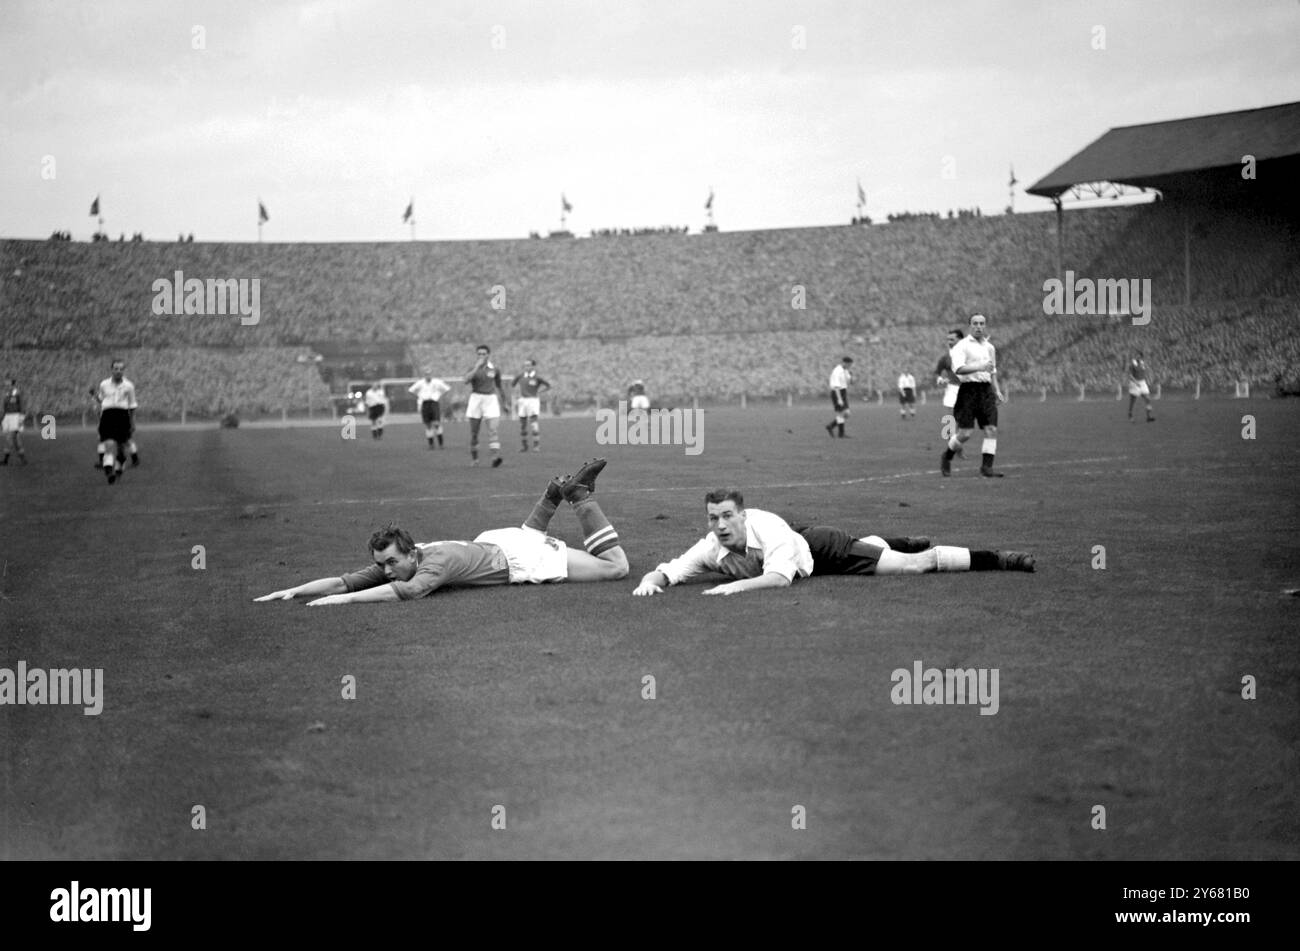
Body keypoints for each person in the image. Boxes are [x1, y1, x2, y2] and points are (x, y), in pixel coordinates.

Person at [254, 458, 626, 605]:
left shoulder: (435, 564)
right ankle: (552, 493)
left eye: (390, 563)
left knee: (616, 568)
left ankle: (575, 496)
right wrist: (295, 590)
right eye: (382, 565)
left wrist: (343, 602)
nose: (386, 571)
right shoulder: (411, 555)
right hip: (498, 543)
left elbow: (410, 591)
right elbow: (343, 581)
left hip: (517, 556)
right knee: (528, 535)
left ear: (410, 552)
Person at [632, 489, 1034, 596]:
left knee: (913, 566)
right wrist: (651, 581)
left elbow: (777, 580)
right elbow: (670, 570)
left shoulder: (767, 526)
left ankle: (998, 558)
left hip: (822, 549)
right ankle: (896, 541)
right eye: (713, 518)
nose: (720, 525)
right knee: (884, 549)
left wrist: (733, 586)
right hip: (799, 552)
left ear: (742, 514)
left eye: (727, 516)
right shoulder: (709, 548)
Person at [941, 314, 1005, 478]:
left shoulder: (990, 348)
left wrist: (997, 390)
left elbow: (993, 372)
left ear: (985, 326)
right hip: (968, 391)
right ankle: (947, 455)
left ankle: (987, 467)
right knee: (965, 433)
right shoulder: (961, 346)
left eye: (981, 323)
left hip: (986, 391)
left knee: (991, 429)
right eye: (975, 323)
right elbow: (959, 369)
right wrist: (980, 366)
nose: (978, 326)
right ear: (970, 325)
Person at [92, 359, 138, 485]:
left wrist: (133, 423)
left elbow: (133, 405)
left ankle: (118, 470)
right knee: (109, 445)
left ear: (124, 371)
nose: (118, 371)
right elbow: (101, 400)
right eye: (116, 368)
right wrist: (94, 396)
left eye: (120, 369)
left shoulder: (129, 386)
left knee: (121, 449)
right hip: (108, 417)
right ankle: (109, 472)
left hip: (122, 417)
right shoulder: (104, 384)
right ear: (111, 370)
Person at [465, 344, 507, 467]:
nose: (481, 356)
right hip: (476, 400)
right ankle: (475, 459)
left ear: (488, 355)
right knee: (474, 433)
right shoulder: (473, 368)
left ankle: (495, 458)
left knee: (493, 430)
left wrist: (504, 403)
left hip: (491, 400)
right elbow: (465, 380)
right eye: (479, 354)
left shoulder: (494, 369)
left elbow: (499, 386)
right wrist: (476, 368)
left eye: (484, 354)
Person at [512, 359, 552, 452]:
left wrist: (539, 391)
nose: (526, 367)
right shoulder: (520, 376)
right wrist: (517, 393)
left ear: (533, 366)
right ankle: (524, 446)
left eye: (529, 365)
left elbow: (548, 386)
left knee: (534, 423)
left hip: (533, 401)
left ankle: (536, 446)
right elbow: (513, 384)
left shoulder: (537, 378)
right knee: (523, 424)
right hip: (522, 401)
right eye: (525, 365)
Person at [408, 371, 451, 448]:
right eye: (426, 375)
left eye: (429, 374)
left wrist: (439, 396)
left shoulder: (437, 382)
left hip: (434, 403)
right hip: (425, 403)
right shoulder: (420, 383)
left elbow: (447, 389)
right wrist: (419, 396)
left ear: (431, 375)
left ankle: (441, 444)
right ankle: (431, 444)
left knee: (436, 423)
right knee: (428, 425)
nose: (428, 376)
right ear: (424, 375)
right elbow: (411, 390)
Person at [935, 328, 964, 410]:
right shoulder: (945, 358)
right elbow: (938, 372)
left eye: (952, 339)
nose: (949, 342)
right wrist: (940, 380)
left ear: (961, 340)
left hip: (967, 388)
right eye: (948, 340)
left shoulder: (970, 355)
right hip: (952, 388)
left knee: (965, 416)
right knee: (949, 414)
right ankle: (950, 423)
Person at [825, 356, 854, 438]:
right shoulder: (837, 371)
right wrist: (839, 399)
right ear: (845, 363)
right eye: (849, 364)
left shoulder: (846, 370)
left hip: (843, 392)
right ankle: (840, 433)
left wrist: (851, 377)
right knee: (843, 413)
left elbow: (850, 382)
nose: (850, 366)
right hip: (837, 393)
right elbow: (836, 386)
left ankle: (831, 427)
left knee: (845, 414)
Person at [1, 378, 28, 465]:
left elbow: (22, 407)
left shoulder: (18, 394)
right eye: (5, 385)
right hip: (7, 418)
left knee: (11, 438)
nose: (6, 386)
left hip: (16, 417)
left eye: (8, 385)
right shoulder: (6, 394)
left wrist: (21, 419)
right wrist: (2, 419)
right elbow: (4, 408)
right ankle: (23, 460)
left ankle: (6, 460)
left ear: (13, 385)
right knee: (15, 440)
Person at [1126, 351, 1155, 422]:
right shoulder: (1132, 364)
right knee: (1133, 401)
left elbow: (1145, 371)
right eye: (1136, 355)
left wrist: (1149, 378)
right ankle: (1130, 415)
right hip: (1134, 383)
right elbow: (1130, 375)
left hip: (1142, 383)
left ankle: (1148, 417)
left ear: (1141, 356)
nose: (1137, 357)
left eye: (1138, 355)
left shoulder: (1142, 363)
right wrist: (1136, 382)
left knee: (1148, 399)